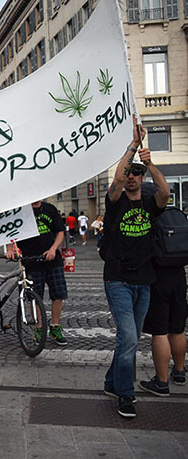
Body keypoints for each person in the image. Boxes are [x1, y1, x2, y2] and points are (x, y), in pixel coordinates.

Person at [101, 115, 169, 418]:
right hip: (118, 280)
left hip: (145, 280)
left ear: (142, 179)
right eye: (129, 173)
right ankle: (125, 396)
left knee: (131, 338)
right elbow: (115, 181)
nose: (131, 177)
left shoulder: (149, 204)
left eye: (136, 174)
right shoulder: (116, 204)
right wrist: (132, 146)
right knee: (128, 338)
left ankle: (110, 381)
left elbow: (166, 193)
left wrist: (149, 162)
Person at [7, 201, 68, 346]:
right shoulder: (20, 210)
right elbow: (10, 231)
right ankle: (39, 328)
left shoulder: (49, 209)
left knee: (58, 293)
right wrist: (10, 248)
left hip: (52, 259)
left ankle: (55, 326)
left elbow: (60, 231)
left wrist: (53, 249)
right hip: (31, 260)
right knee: (35, 296)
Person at [139, 263, 187, 397]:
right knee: (177, 329)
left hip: (157, 277)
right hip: (178, 275)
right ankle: (179, 371)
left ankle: (161, 382)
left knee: (160, 332)